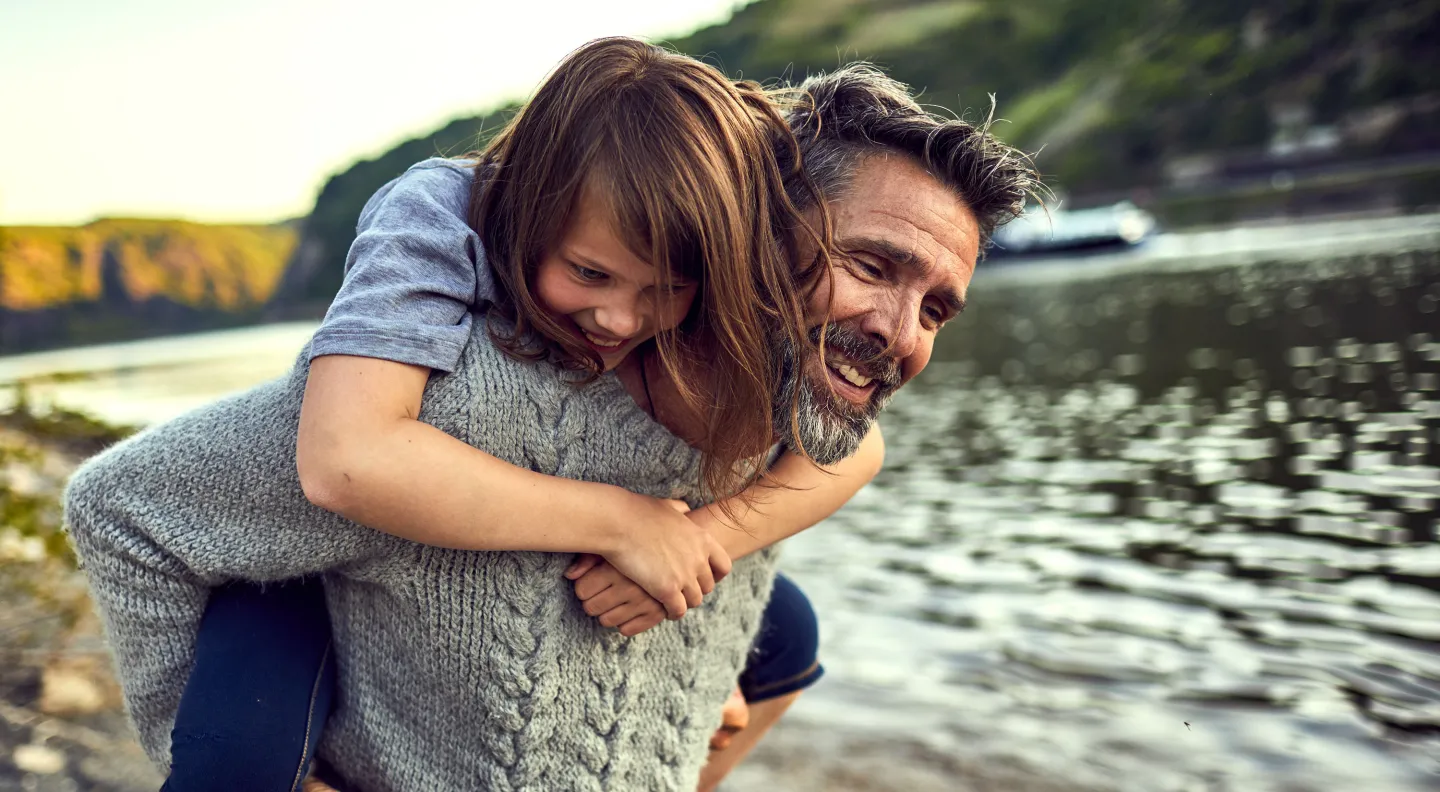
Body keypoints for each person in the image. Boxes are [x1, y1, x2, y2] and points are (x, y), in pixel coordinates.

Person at [69, 53, 1044, 792]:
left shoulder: (779, 419)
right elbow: (338, 461)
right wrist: (622, 521)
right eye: (872, 267)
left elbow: (861, 451)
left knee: (785, 628)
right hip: (315, 553)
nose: (900, 335)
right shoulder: (454, 267)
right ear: (754, 229)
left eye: (938, 308)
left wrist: (695, 603)